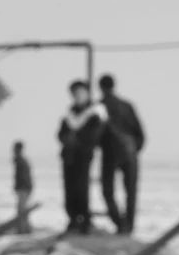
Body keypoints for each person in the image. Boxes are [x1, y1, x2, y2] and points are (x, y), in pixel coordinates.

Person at [97, 74, 146, 235]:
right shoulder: (126, 106)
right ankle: (128, 226)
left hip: (110, 154)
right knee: (130, 192)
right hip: (129, 153)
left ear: (101, 87)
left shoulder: (99, 107)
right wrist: (134, 149)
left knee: (108, 191)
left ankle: (121, 223)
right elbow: (140, 133)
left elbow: (95, 134)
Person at [59, 80, 106, 234]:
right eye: (74, 93)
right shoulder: (70, 113)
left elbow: (94, 135)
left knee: (82, 187)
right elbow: (61, 134)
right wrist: (67, 139)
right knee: (69, 188)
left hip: (83, 156)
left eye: (80, 92)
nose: (77, 96)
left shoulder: (95, 113)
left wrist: (78, 140)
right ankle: (73, 219)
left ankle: (85, 219)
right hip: (69, 156)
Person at [12, 141, 33, 235]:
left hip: (23, 188)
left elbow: (24, 176)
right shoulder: (20, 160)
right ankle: (24, 229)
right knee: (22, 209)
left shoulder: (21, 161)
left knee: (22, 209)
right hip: (23, 188)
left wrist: (22, 187)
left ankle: (23, 229)